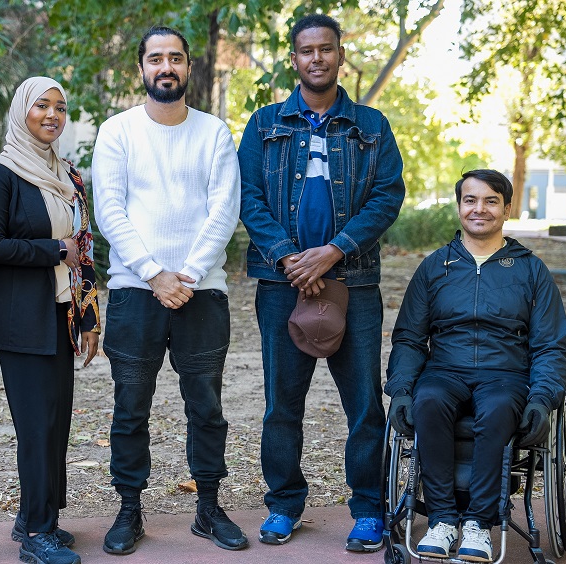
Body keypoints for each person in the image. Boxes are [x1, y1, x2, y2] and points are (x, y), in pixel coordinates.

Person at [237, 13, 405, 553]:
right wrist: (290, 258)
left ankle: (368, 509)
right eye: (306, 50)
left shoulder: (371, 126)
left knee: (363, 404)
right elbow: (248, 197)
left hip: (353, 284)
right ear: (294, 59)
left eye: (326, 49)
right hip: (280, 284)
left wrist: (333, 252)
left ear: (339, 55)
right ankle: (284, 505)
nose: (316, 58)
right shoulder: (264, 124)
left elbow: (387, 196)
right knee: (281, 404)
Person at [92, 25, 247, 555]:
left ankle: (208, 507)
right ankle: (130, 509)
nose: (166, 67)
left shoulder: (214, 134)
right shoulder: (118, 132)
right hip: (136, 292)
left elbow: (224, 210)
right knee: (130, 408)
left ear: (188, 68)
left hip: (202, 293)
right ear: (141, 68)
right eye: (156, 58)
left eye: (175, 58)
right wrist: (154, 272)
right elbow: (109, 210)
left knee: (205, 407)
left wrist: (186, 274)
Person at [385, 169, 566, 562]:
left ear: (506, 208)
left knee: (500, 407)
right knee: (428, 400)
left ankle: (479, 525)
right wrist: (401, 390)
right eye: (471, 200)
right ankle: (443, 520)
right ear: (459, 207)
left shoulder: (531, 269)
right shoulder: (435, 267)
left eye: (490, 201)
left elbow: (551, 344)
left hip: (506, 373)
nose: (479, 209)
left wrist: (542, 399)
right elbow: (410, 338)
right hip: (445, 370)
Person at [0, 77, 101, 564]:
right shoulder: (1, 174)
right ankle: (36, 536)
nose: (52, 115)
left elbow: (83, 247)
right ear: (22, 111)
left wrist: (89, 318)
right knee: (35, 425)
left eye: (60, 107)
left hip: (62, 313)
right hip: (21, 319)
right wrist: (53, 250)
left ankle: (36, 518)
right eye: (41, 106)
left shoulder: (67, 174)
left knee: (56, 421)